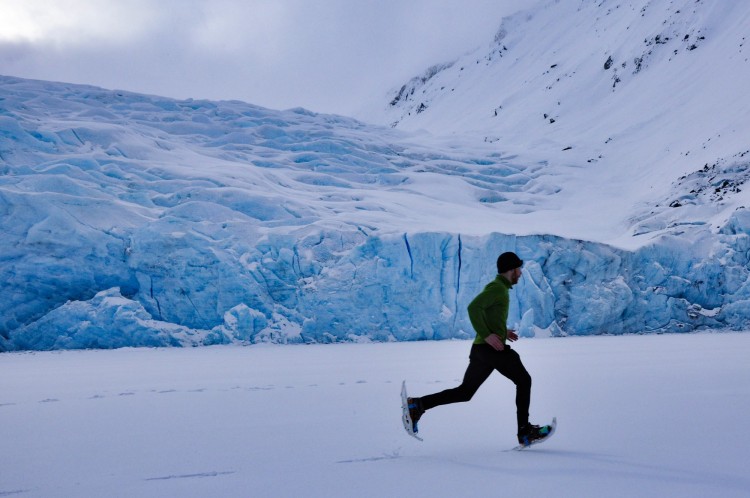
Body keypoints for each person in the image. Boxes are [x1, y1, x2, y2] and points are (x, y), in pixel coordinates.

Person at [406, 251, 550, 445]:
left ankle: (418, 405)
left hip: (481, 351)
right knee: (524, 380)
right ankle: (524, 432)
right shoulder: (497, 288)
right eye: (519, 269)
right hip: (491, 350)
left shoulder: (500, 288)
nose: (521, 273)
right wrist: (489, 335)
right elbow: (474, 308)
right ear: (511, 269)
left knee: (465, 393)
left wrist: (501, 331)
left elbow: (488, 314)